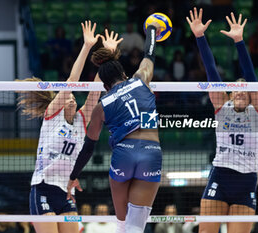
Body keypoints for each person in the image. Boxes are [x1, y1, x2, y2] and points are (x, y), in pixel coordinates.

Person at [67, 21, 163, 233]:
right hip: (151, 152)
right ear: (124, 74)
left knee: (122, 223)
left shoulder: (100, 107)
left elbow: (88, 147)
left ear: (104, 85)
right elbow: (149, 55)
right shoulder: (141, 80)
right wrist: (152, 31)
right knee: (136, 226)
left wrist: (73, 176)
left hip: (124, 154)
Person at [17, 21, 105, 233]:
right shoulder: (52, 115)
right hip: (43, 188)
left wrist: (107, 58)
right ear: (60, 100)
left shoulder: (81, 121)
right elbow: (72, 80)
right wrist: (86, 47)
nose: (73, 99)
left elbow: (95, 92)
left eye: (75, 97)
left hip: (65, 191)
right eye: (69, 96)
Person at [187, 8, 258, 233]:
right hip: (220, 176)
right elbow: (212, 72)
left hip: (246, 182)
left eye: (245, 90)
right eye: (236, 90)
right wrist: (200, 37)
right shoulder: (222, 108)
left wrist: (240, 42)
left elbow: (251, 77)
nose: (241, 92)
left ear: (251, 95)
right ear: (230, 94)